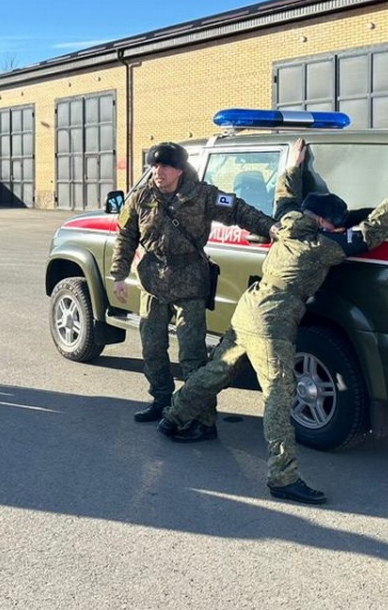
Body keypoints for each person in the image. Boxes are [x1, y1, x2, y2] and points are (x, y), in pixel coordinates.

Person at [158, 140, 388, 505]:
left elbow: (285, 195)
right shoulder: (319, 247)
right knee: (280, 396)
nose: (336, 227)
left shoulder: (285, 222)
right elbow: (367, 234)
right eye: (333, 223)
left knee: (217, 369)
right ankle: (283, 477)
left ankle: (173, 417)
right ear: (322, 221)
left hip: (250, 306)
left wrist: (294, 167)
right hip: (273, 319)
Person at [110, 142, 277, 424]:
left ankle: (198, 412)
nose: (157, 171)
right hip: (153, 281)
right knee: (152, 348)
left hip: (189, 282)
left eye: (164, 166)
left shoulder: (202, 195)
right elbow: (126, 236)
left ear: (178, 170)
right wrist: (119, 276)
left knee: (193, 354)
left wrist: (270, 227)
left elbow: (239, 210)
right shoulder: (141, 197)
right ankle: (161, 399)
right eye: (154, 165)